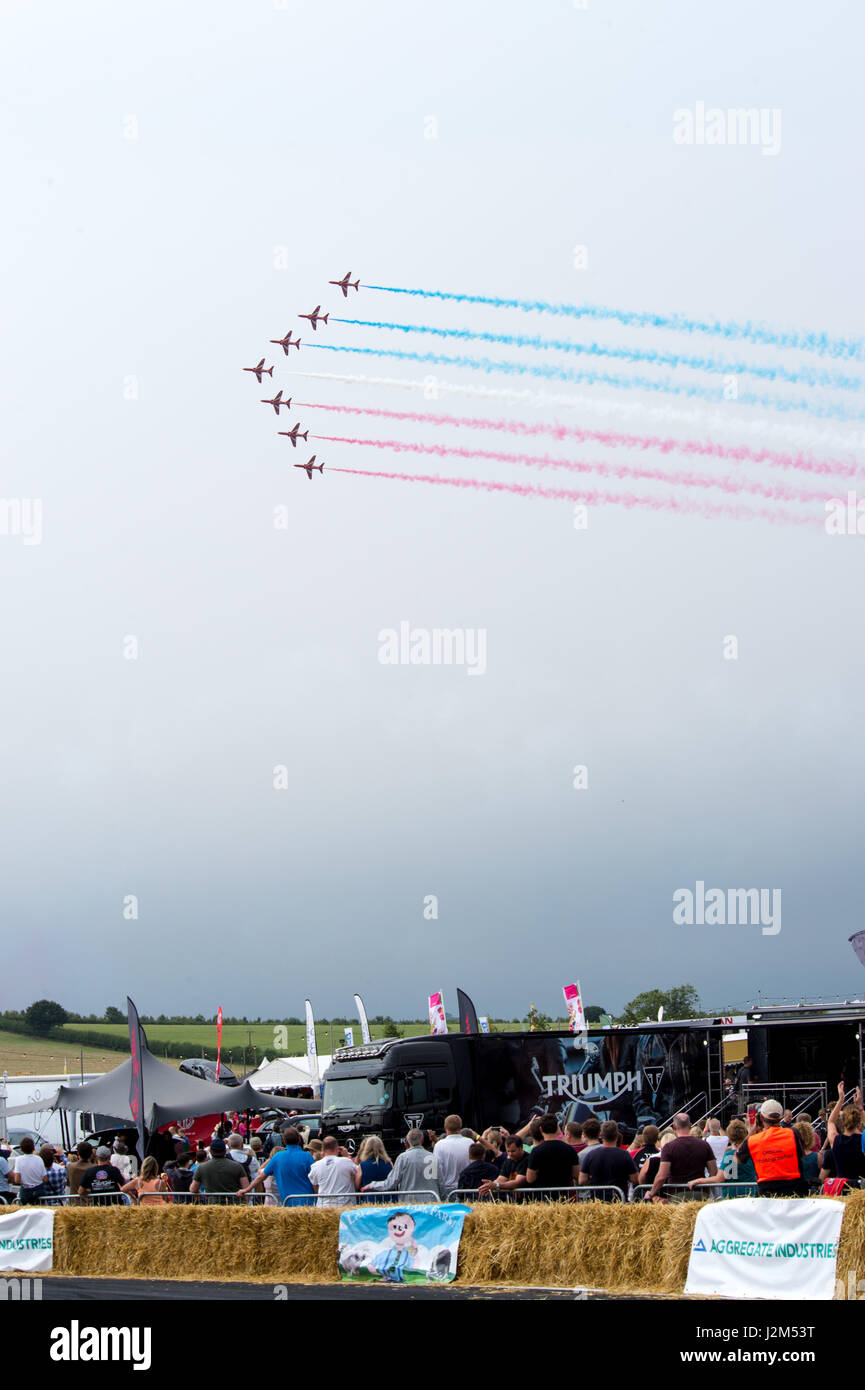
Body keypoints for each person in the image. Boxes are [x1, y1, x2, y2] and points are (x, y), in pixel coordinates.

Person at [735, 1099, 808, 1197]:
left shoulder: (753, 1140)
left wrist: (752, 1130)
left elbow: (737, 1159)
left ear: (761, 1118)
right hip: (794, 1192)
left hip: (767, 1195)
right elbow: (802, 1154)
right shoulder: (793, 1133)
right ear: (781, 1117)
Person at [645, 1114, 717, 1201]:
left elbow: (662, 1176)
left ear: (674, 1126)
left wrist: (651, 1193)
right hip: (700, 1195)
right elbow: (713, 1171)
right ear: (690, 1125)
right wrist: (707, 1188)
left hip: (677, 1196)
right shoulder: (704, 1145)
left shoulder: (669, 1147)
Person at [244, 1127, 315, 1207]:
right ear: (299, 1140)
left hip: (288, 1204)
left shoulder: (278, 1157)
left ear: (284, 1141)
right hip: (308, 1203)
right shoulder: (307, 1156)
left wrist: (247, 1189)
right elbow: (315, 1179)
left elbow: (261, 1176)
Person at [364, 1129, 441, 1202]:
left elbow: (390, 1183)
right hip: (431, 1203)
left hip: (410, 1203)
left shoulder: (403, 1158)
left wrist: (372, 1185)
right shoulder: (433, 1157)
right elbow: (441, 1182)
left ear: (407, 1141)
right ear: (422, 1140)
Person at [578, 1120, 638, 1200]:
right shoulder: (625, 1155)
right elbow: (635, 1178)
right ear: (617, 1135)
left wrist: (594, 1180)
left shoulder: (591, 1155)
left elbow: (582, 1180)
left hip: (597, 1202)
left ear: (601, 1135)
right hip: (618, 1201)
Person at [526, 1113, 581, 1196]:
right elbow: (576, 1174)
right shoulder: (569, 1150)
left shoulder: (536, 1151)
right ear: (557, 1128)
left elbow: (530, 1178)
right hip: (564, 1197)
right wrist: (560, 1134)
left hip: (542, 1198)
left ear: (541, 1129)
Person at [826, 1083, 865, 1186]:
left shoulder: (836, 1140)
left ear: (843, 1121)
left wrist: (841, 1099)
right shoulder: (862, 1140)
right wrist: (860, 1107)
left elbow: (830, 1122)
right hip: (860, 1188)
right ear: (859, 1122)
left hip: (841, 1188)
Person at [190, 1137, 249, 1203]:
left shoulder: (201, 1168)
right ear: (225, 1151)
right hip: (234, 1206)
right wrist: (246, 1203)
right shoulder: (237, 1166)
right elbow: (246, 1188)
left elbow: (193, 1189)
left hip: (213, 1206)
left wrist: (201, 1193)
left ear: (211, 1151)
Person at [309, 1136, 359, 1208]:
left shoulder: (315, 1166)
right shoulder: (346, 1162)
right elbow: (359, 1173)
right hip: (344, 1206)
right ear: (337, 1148)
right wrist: (347, 1156)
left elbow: (315, 1186)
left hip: (323, 1207)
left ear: (323, 1149)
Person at [430, 1116, 474, 1198]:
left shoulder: (439, 1145)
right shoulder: (470, 1142)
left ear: (445, 1127)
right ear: (460, 1126)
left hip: (448, 1190)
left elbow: (436, 1171)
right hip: (468, 1189)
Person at [479, 1134, 530, 1201]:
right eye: (508, 1151)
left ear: (521, 1147)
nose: (510, 1154)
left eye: (513, 1151)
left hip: (529, 1200)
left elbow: (518, 1182)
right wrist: (490, 1185)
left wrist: (496, 1186)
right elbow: (501, 1178)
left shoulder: (528, 1160)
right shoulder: (508, 1161)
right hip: (515, 1202)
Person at [12, 1137, 50, 1205]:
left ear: (21, 1149)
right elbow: (45, 1179)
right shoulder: (39, 1159)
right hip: (39, 1190)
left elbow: (17, 1180)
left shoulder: (19, 1160)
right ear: (33, 1148)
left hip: (26, 1191)